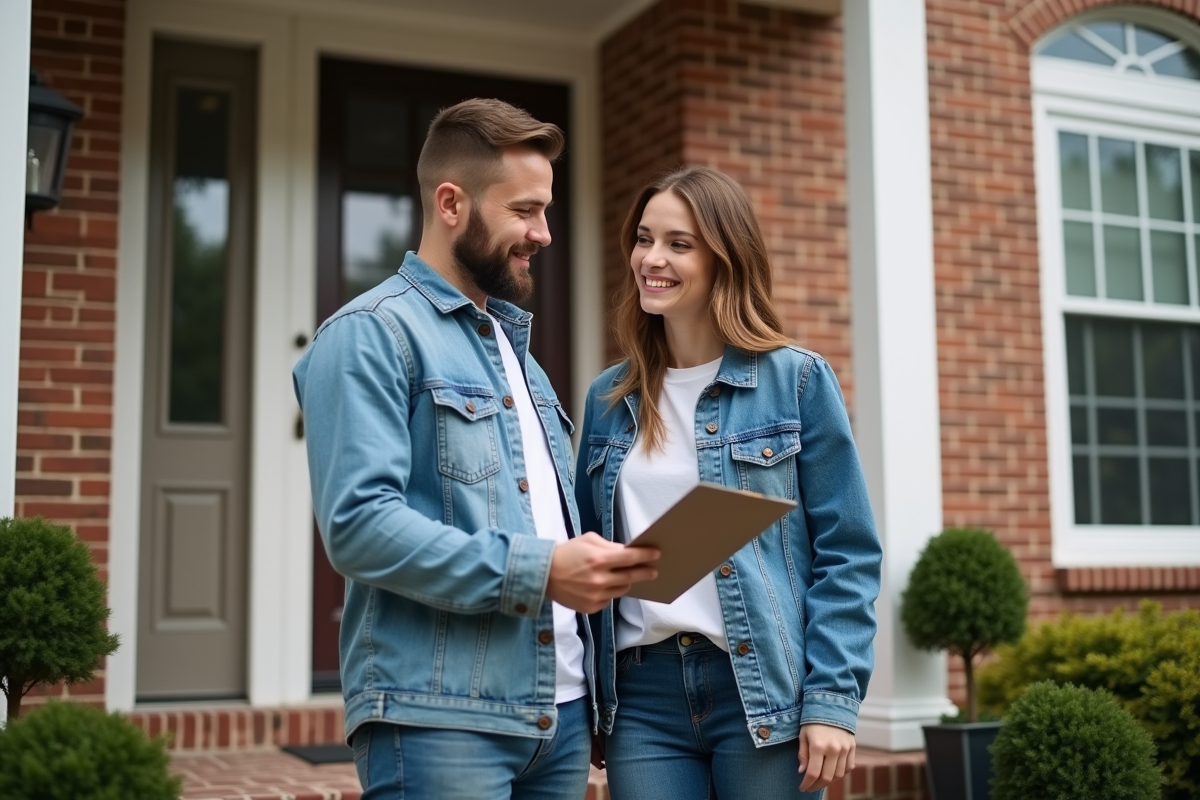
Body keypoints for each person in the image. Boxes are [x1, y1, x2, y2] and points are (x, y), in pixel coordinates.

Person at [293, 98, 659, 800]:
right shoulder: (369, 334)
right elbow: (359, 527)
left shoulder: (521, 358)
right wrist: (542, 570)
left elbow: (544, 524)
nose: (544, 233)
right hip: (440, 718)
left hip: (561, 714)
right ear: (452, 202)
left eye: (545, 211)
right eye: (525, 210)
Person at [575, 165, 883, 799]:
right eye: (643, 238)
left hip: (762, 687)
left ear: (725, 258)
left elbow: (847, 553)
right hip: (642, 698)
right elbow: (588, 557)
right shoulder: (608, 397)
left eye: (678, 244)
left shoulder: (794, 381)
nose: (651, 259)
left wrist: (831, 700)